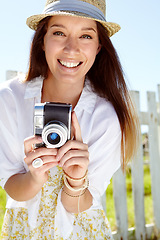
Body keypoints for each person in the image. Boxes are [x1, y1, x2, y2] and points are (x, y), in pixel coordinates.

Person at [0, 0, 139, 239]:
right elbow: (12, 187)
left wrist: (76, 180)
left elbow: (79, 206)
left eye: (86, 36)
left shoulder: (106, 115)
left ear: (98, 46)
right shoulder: (10, 99)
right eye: (59, 32)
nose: (71, 49)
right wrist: (34, 176)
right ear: (42, 40)